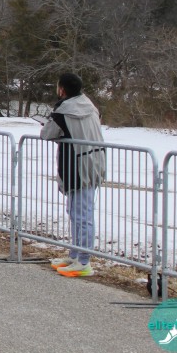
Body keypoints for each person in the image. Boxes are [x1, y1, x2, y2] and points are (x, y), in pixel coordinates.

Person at [40, 72, 106, 278]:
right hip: (93, 162)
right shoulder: (89, 105)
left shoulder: (63, 110)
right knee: (77, 212)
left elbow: (46, 134)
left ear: (62, 90)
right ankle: (75, 254)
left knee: (82, 215)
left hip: (77, 165)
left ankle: (84, 261)